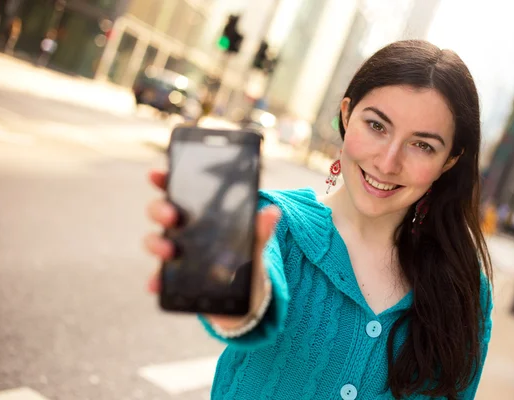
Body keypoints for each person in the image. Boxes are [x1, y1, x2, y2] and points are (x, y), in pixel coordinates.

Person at [144, 40, 493, 399]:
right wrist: (237, 296)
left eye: (422, 145)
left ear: (450, 160)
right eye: (376, 126)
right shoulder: (274, 225)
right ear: (346, 115)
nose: (387, 163)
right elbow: (252, 304)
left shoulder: (466, 290)